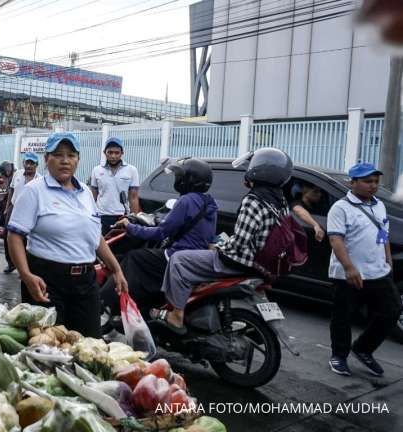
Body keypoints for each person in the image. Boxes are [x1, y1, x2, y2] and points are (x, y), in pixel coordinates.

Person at [153, 148, 293, 335]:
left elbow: (239, 243)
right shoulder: (280, 201)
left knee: (179, 260)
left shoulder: (254, 201)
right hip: (260, 263)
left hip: (239, 262)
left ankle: (176, 314)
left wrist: (219, 247)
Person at [7, 132, 128, 338]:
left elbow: (94, 237)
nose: (65, 161)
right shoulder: (34, 191)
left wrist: (116, 269)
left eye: (71, 155)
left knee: (89, 345)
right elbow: (15, 235)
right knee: (48, 348)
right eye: (58, 155)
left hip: (85, 282)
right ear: (46, 159)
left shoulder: (86, 194)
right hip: (47, 281)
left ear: (78, 160)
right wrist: (26, 276)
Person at [101, 158, 218, 318]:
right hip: (198, 258)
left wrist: (130, 226)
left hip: (177, 256)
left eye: (180, 176)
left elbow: (160, 233)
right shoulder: (209, 202)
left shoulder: (186, 201)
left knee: (135, 258)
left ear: (189, 180)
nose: (177, 179)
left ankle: (113, 305)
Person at [326, 163, 402, 377]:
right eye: (368, 181)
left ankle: (363, 349)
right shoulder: (341, 208)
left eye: (376, 181)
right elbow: (335, 239)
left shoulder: (379, 205)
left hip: (378, 271)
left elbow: (383, 233)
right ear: (353, 183)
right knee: (343, 316)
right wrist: (349, 268)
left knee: (392, 310)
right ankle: (339, 356)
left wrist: (388, 259)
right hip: (347, 274)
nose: (373, 186)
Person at [90, 137, 141, 235]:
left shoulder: (131, 170)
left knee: (119, 247)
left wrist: (134, 218)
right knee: (100, 246)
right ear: (105, 153)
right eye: (110, 152)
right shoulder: (97, 170)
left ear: (122, 153)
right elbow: (93, 197)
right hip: (102, 216)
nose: (113, 156)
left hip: (122, 216)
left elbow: (133, 198)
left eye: (117, 153)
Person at [3, 152, 42, 274]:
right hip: (14, 208)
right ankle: (10, 263)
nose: (29, 166)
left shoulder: (39, 180)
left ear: (36, 165)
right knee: (7, 236)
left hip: (29, 211)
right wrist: (7, 206)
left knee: (25, 240)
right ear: (23, 163)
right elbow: (12, 190)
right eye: (27, 162)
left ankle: (24, 268)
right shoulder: (17, 174)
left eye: (32, 163)